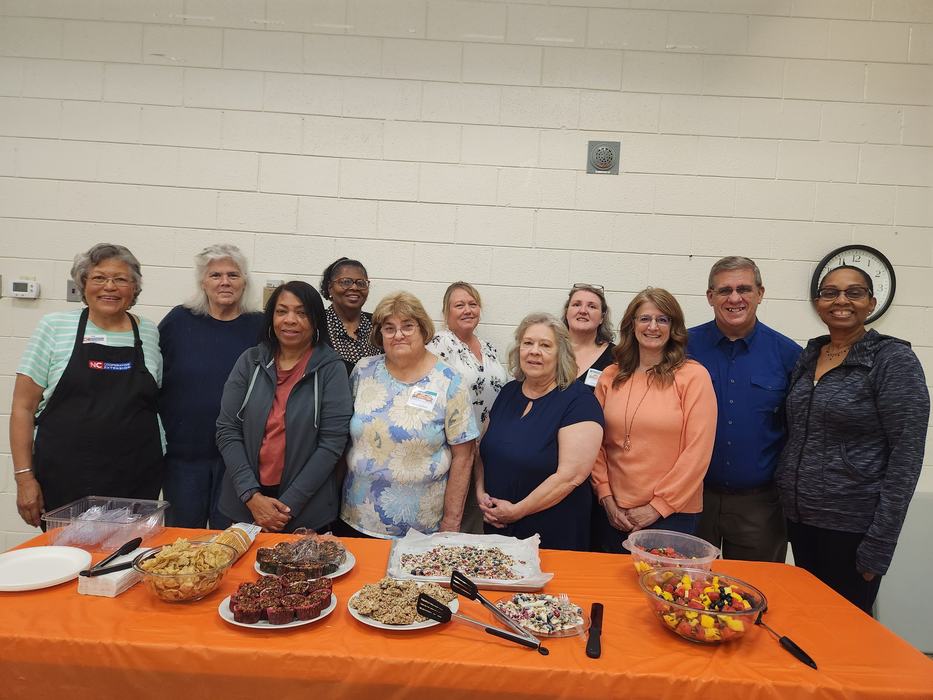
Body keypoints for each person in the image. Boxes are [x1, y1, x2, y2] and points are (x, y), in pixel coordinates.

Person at [775, 266, 929, 614]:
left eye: (853, 292)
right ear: (818, 303)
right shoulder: (810, 355)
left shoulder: (891, 360)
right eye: (830, 293)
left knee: (844, 633)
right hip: (801, 521)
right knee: (807, 620)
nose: (841, 300)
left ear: (871, 303)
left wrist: (880, 542)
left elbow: (906, 456)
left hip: (853, 527)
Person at [11, 243, 163, 527]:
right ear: (83, 284)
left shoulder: (148, 332)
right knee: (69, 561)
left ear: (134, 288)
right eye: (99, 278)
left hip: (136, 479)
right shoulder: (54, 327)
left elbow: (152, 404)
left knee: (127, 564)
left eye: (120, 279)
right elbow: (22, 407)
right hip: (65, 480)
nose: (110, 287)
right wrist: (24, 478)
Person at [687, 256, 801, 562]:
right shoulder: (683, 347)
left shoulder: (790, 355)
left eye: (744, 289)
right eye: (724, 290)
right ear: (710, 297)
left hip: (759, 506)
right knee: (682, 590)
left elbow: (798, 430)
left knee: (754, 595)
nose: (734, 298)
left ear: (760, 293)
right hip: (691, 500)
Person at [215, 281, 352, 533]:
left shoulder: (331, 368)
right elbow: (227, 429)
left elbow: (332, 444)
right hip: (244, 504)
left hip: (306, 510)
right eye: (282, 311)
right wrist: (251, 496)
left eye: (302, 313)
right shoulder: (250, 361)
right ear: (271, 317)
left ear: (316, 320)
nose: (290, 320)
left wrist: (285, 508)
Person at [339, 291, 478, 538]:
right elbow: (343, 438)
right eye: (389, 328)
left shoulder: (449, 381)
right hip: (356, 518)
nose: (398, 334)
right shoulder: (363, 371)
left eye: (407, 326)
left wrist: (451, 523)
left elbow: (464, 457)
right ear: (379, 334)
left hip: (422, 528)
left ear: (423, 329)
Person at [591, 288, 717, 551]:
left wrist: (657, 507)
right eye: (644, 318)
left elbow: (698, 452)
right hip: (614, 514)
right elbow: (595, 444)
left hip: (673, 514)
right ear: (632, 324)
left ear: (674, 327)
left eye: (663, 319)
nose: (653, 326)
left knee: (661, 590)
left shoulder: (693, 377)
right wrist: (606, 497)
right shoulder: (610, 376)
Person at [476, 313, 604, 551]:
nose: (534, 351)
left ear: (561, 354)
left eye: (545, 345)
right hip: (498, 529)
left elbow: (570, 476)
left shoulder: (580, 402)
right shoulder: (507, 393)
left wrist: (516, 511)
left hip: (552, 534)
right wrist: (480, 493)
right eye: (528, 343)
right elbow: (484, 450)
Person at [158, 244, 263, 528]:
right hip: (184, 456)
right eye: (215, 275)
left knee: (229, 544)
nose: (225, 282)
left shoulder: (260, 326)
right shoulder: (178, 321)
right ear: (203, 282)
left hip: (238, 460)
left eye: (233, 274)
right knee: (182, 541)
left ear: (245, 281)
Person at [426, 282, 509, 533]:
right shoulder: (438, 345)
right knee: (454, 517)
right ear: (446, 312)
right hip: (455, 448)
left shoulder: (489, 348)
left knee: (478, 519)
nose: (467, 310)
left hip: (487, 448)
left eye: (473, 304)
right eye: (459, 305)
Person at [320, 257, 380, 375]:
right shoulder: (317, 325)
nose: (354, 287)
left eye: (361, 283)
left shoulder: (378, 324)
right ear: (330, 288)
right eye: (345, 282)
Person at [563, 283, 615, 391]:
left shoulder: (616, 356)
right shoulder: (548, 349)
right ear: (566, 312)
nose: (583, 311)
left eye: (592, 306)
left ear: (602, 317)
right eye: (576, 304)